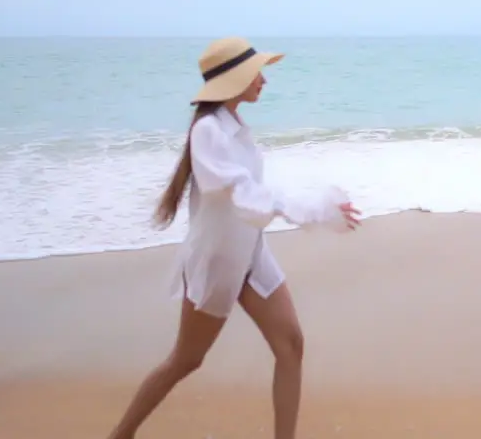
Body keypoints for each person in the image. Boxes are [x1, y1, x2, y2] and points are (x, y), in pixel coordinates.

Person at [106, 37, 363, 439]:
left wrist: (319, 206)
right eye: (256, 72)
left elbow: (255, 197)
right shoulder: (208, 133)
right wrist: (313, 210)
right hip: (218, 262)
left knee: (291, 345)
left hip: (250, 252)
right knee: (186, 361)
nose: (263, 80)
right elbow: (244, 195)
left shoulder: (234, 126)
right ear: (234, 78)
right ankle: (121, 435)